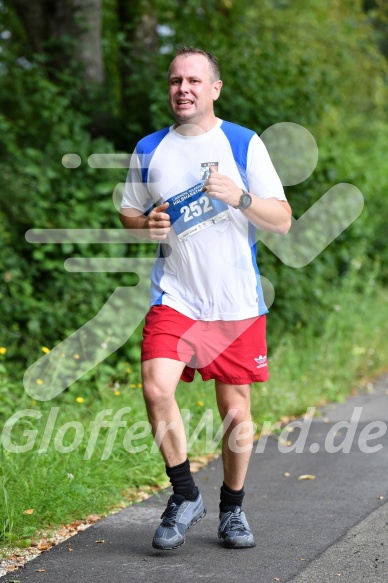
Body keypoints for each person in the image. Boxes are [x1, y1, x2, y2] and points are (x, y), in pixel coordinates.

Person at [119, 46, 292, 550]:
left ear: (214, 88)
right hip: (176, 296)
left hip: (236, 303)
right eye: (175, 81)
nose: (183, 89)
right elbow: (131, 215)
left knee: (235, 413)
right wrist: (145, 225)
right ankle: (183, 494)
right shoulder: (149, 148)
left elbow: (282, 219)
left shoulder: (243, 143)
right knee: (155, 387)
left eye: (194, 80)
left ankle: (232, 511)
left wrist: (238, 196)